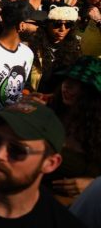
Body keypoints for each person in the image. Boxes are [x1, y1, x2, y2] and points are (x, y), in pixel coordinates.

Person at [46, 56, 101, 206]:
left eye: (77, 83)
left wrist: (94, 185)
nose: (66, 86)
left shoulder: (96, 131)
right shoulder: (51, 114)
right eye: (66, 79)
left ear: (92, 93)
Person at [27, 5, 81, 93]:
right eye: (57, 24)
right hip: (35, 97)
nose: (62, 29)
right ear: (47, 24)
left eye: (68, 25)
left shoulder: (74, 48)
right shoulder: (34, 46)